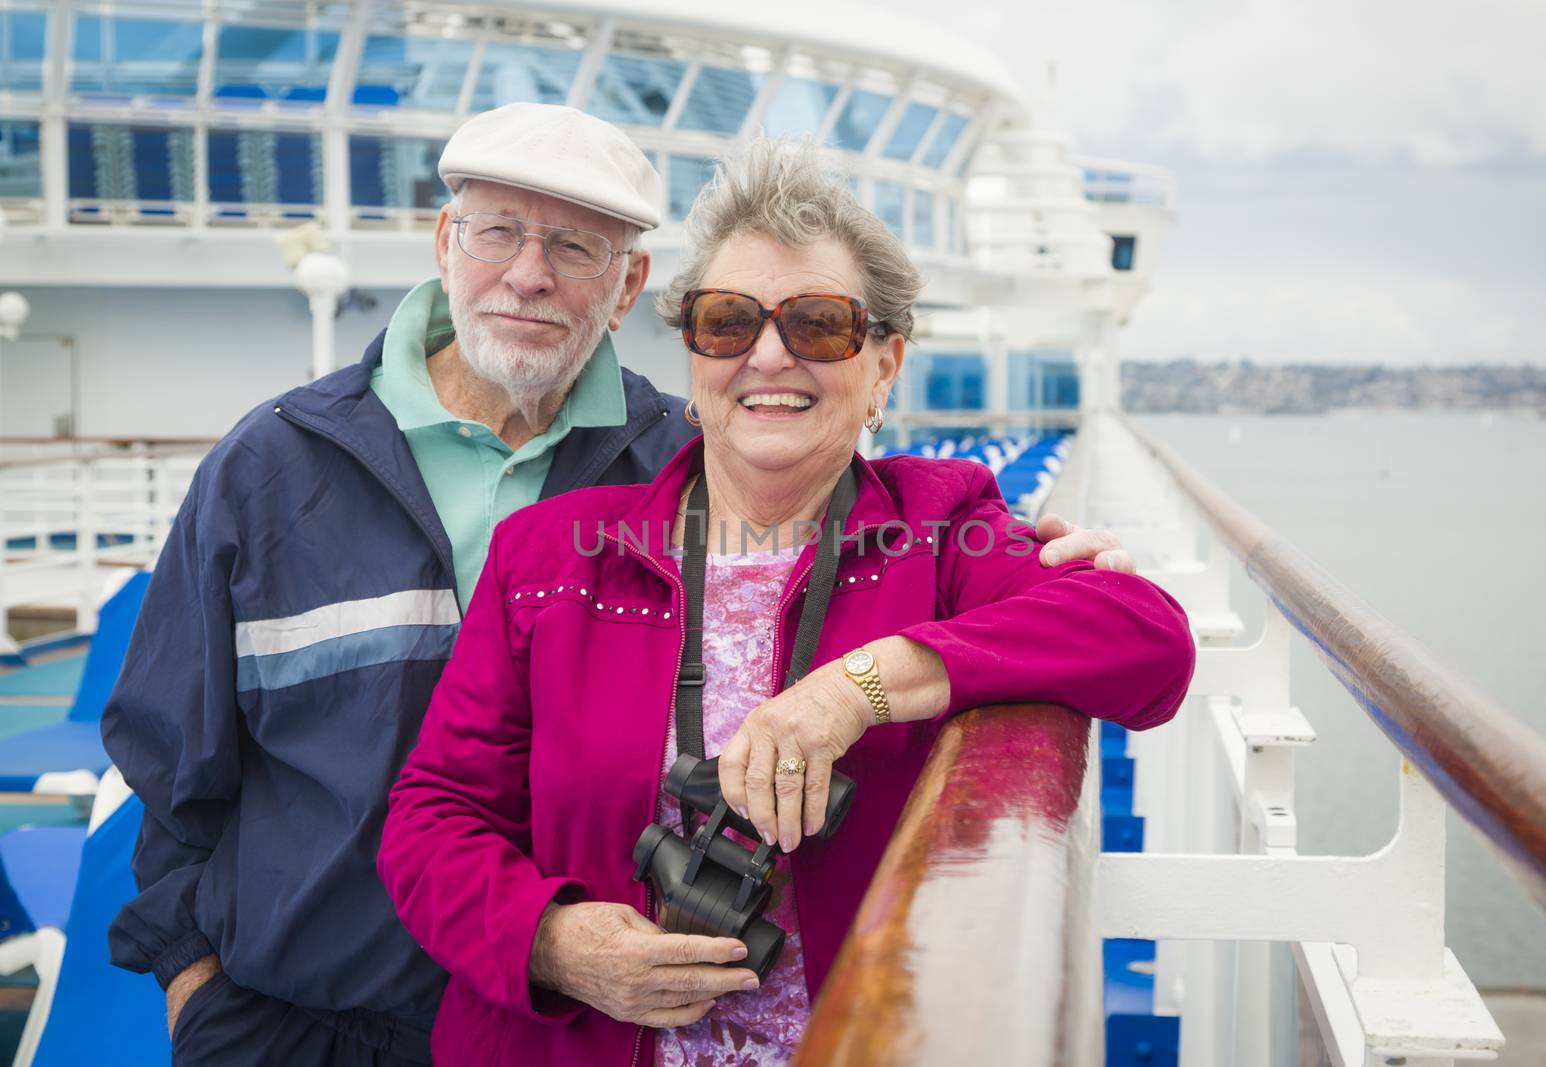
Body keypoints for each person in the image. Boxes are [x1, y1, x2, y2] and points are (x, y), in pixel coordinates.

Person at [100, 106, 1133, 1065]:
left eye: (576, 247)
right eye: (499, 231)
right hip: (299, 1013)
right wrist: (194, 986)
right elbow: (170, 758)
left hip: (547, 1014)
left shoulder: (683, 456)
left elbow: (1120, 626)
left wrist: (961, 620)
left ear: (630, 284)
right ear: (444, 245)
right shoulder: (273, 466)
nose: (531, 275)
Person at [377, 141, 1196, 1067]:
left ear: (883, 365)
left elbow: (1148, 640)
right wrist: (552, 942)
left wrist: (862, 685)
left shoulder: (942, 524)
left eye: (817, 323)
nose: (768, 353)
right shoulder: (557, 551)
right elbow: (432, 816)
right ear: (693, 354)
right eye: (728, 320)